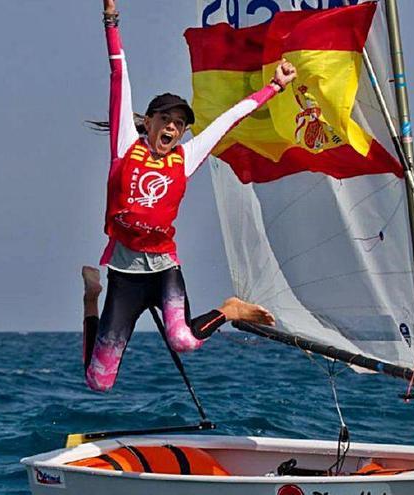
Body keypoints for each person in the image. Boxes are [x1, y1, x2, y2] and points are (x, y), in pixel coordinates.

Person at [81, 0, 297, 392]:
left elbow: (231, 118)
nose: (172, 128)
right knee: (99, 382)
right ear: (148, 122)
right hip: (125, 274)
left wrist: (275, 87)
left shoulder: (186, 157)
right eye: (165, 119)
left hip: (163, 270)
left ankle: (230, 309)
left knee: (183, 340)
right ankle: (90, 299)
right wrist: (111, 19)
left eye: (179, 124)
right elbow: (118, 73)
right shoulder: (126, 146)